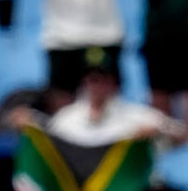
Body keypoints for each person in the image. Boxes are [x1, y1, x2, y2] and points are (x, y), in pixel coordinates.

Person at [10, 48, 188, 146]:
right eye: (90, 79)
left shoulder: (138, 117)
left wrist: (155, 132)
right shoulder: (66, 119)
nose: (94, 85)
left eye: (101, 79)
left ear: (114, 82)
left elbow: (180, 132)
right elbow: (51, 140)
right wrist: (31, 123)